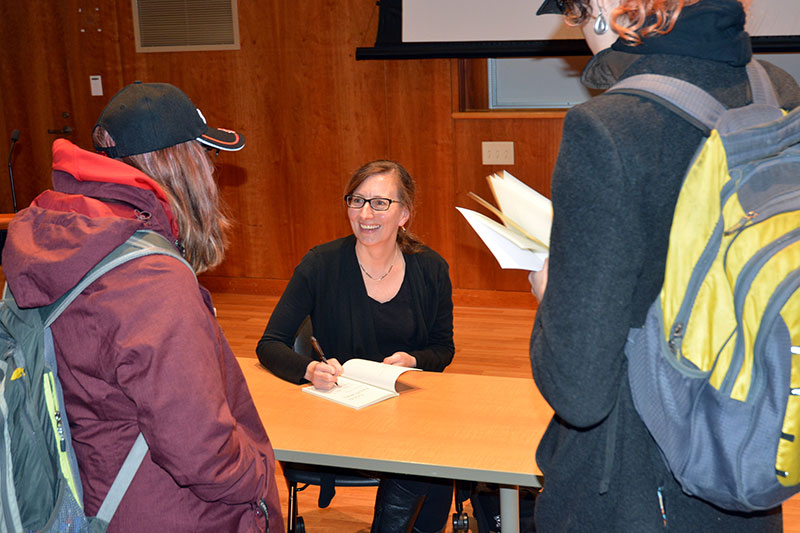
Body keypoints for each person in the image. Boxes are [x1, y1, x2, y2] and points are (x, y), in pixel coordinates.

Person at [528, 0, 800, 531]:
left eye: (578, 13)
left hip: (637, 492)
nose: (577, 28)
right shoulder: (778, 90)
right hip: (747, 451)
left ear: (608, 7)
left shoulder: (607, 129)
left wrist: (551, 292)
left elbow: (579, 393)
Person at [1, 82, 284, 532]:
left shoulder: (69, 238)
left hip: (94, 495)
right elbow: (201, 452)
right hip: (170, 512)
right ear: (181, 164)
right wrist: (262, 474)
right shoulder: (151, 279)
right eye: (206, 157)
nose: (211, 174)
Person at [256, 160, 455, 532]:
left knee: (436, 458)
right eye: (357, 200)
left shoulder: (431, 269)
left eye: (380, 203)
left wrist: (414, 359)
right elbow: (270, 344)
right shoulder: (321, 264)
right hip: (342, 415)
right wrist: (309, 369)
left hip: (406, 410)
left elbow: (443, 350)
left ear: (404, 215)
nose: (366, 213)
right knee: (425, 465)